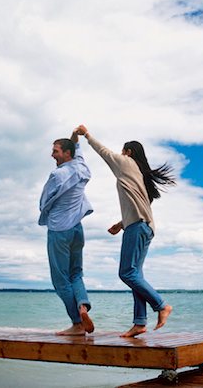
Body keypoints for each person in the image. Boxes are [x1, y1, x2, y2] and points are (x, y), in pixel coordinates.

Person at [76, 124, 176, 337]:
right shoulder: (139, 174)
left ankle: (161, 305)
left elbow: (104, 152)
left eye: (123, 150)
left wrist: (86, 135)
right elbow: (139, 205)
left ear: (128, 152)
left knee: (126, 273)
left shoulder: (126, 163)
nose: (120, 154)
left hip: (138, 228)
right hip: (143, 226)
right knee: (135, 274)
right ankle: (140, 323)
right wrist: (121, 224)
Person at [39, 129, 94, 336]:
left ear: (66, 154)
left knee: (61, 279)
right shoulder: (82, 168)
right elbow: (76, 148)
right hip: (77, 230)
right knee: (76, 273)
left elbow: (44, 201)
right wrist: (75, 134)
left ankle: (77, 324)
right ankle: (82, 307)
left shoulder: (57, 174)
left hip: (59, 230)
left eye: (56, 151)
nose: (52, 155)